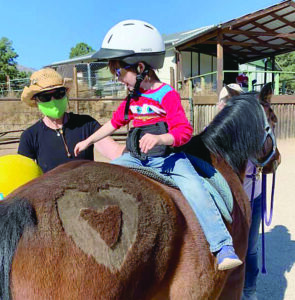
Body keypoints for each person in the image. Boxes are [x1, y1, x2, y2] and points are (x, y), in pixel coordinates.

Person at [74, 19, 242, 271]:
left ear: (140, 67)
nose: (118, 79)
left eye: (119, 72)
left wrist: (161, 138)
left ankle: (222, 246)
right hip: (136, 157)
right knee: (104, 175)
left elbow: (184, 131)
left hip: (168, 159)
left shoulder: (166, 95)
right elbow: (113, 123)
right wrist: (88, 140)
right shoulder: (132, 98)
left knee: (195, 188)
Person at [18, 68, 124, 173]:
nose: (53, 100)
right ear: (36, 101)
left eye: (59, 93)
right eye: (45, 97)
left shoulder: (86, 124)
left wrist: (137, 148)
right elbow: (24, 175)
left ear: (66, 95)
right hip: (51, 190)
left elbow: (115, 151)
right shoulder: (30, 136)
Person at [218, 84, 261, 300]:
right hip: (225, 199)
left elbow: (265, 155)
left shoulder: (250, 130)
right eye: (225, 102)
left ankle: (249, 291)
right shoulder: (214, 130)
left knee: (249, 249)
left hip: (252, 196)